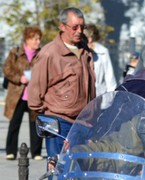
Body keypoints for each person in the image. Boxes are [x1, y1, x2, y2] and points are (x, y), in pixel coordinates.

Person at [28, 7, 95, 165]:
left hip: (82, 121)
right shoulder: (49, 53)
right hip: (58, 121)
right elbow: (34, 95)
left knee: (80, 171)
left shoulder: (85, 51)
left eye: (82, 27)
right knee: (59, 171)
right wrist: (51, 111)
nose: (79, 31)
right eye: (74, 27)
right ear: (62, 26)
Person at [3, 26, 43, 160]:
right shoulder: (15, 52)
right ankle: (11, 151)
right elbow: (7, 69)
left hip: (35, 95)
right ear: (28, 39)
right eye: (35, 39)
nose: (38, 42)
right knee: (14, 123)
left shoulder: (42, 54)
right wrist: (19, 78)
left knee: (36, 124)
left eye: (39, 39)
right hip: (17, 94)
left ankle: (36, 152)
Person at [83, 24, 117, 96]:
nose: (89, 40)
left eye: (91, 37)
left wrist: (111, 98)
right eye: (86, 37)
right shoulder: (78, 52)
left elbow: (109, 76)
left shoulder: (102, 52)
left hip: (99, 97)